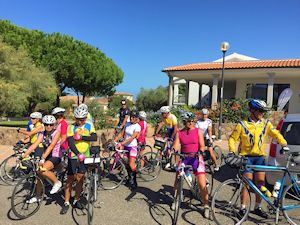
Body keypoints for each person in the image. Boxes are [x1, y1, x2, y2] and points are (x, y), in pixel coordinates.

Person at [228, 99, 287, 219]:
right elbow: (232, 139)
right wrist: (232, 151)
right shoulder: (242, 124)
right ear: (252, 111)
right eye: (260, 111)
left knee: (260, 184)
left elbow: (275, 134)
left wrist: (284, 144)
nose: (262, 114)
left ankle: (257, 207)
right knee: (246, 184)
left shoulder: (265, 123)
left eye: (263, 112)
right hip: (247, 158)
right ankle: (243, 208)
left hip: (259, 158)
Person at [171, 112, 209, 219]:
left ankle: (206, 205)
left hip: (196, 157)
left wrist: (200, 152)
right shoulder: (180, 132)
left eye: (189, 121)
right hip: (185, 157)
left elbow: (202, 146)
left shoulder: (198, 131)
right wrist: (172, 150)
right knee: (177, 179)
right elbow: (176, 144)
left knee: (202, 183)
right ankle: (176, 199)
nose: (188, 123)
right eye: (185, 121)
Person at [60, 106, 97, 214]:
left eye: (82, 119)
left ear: (86, 118)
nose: (80, 121)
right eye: (78, 119)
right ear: (75, 118)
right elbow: (71, 143)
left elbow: (94, 137)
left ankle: (76, 199)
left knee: (80, 177)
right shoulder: (71, 127)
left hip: (85, 155)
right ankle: (66, 202)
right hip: (74, 156)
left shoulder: (89, 126)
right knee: (70, 178)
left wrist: (82, 137)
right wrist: (78, 153)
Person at [22, 115, 63, 203]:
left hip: (56, 155)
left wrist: (42, 158)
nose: (49, 126)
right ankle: (38, 196)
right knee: (38, 175)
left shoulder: (56, 132)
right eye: (46, 124)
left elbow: (51, 146)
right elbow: (35, 144)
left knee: (43, 170)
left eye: (51, 124)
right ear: (43, 124)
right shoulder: (42, 133)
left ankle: (57, 182)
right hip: (47, 155)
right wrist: (24, 155)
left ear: (54, 125)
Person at [114, 110, 141, 189]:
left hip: (132, 147)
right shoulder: (127, 124)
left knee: (132, 164)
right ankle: (129, 178)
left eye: (133, 117)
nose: (132, 118)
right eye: (131, 117)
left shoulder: (137, 126)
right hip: (126, 146)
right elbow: (121, 134)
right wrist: (115, 140)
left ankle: (134, 181)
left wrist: (121, 143)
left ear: (136, 118)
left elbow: (132, 138)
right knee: (126, 163)